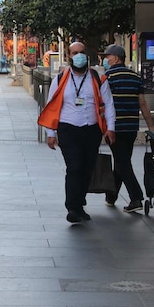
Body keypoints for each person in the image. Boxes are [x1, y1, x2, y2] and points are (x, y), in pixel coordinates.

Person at [38, 41, 116, 223]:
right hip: (68, 129)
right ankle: (72, 207)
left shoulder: (98, 78)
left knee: (87, 168)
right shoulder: (60, 79)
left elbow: (109, 104)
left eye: (81, 52)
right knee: (74, 168)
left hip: (91, 129)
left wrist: (110, 128)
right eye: (74, 53)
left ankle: (79, 202)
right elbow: (51, 105)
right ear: (69, 56)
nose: (79, 56)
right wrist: (51, 133)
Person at [102, 44, 154, 213]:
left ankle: (136, 197)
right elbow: (142, 103)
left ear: (116, 58)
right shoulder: (135, 77)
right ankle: (111, 196)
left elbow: (102, 103)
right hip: (131, 127)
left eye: (108, 56)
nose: (105, 59)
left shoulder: (107, 77)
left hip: (115, 127)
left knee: (122, 162)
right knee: (122, 160)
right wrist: (151, 127)